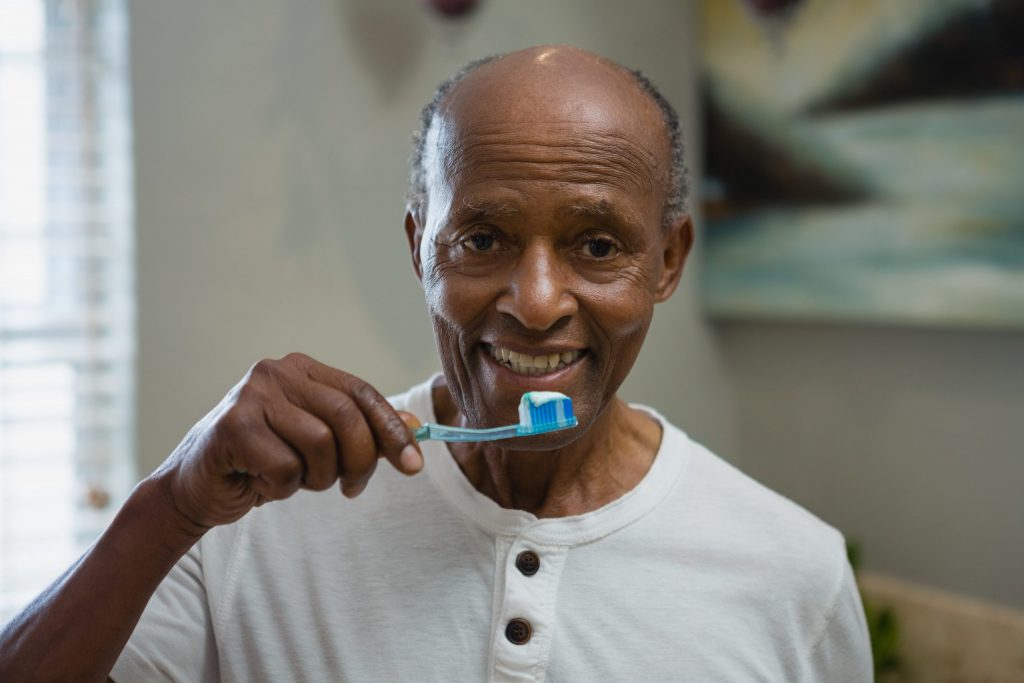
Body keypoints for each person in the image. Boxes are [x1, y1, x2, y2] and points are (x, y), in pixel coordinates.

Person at [0, 45, 871, 681]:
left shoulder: (793, 574)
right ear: (421, 246)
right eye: (483, 238)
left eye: (598, 245)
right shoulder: (249, 522)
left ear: (669, 260)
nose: (535, 302)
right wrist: (168, 506)